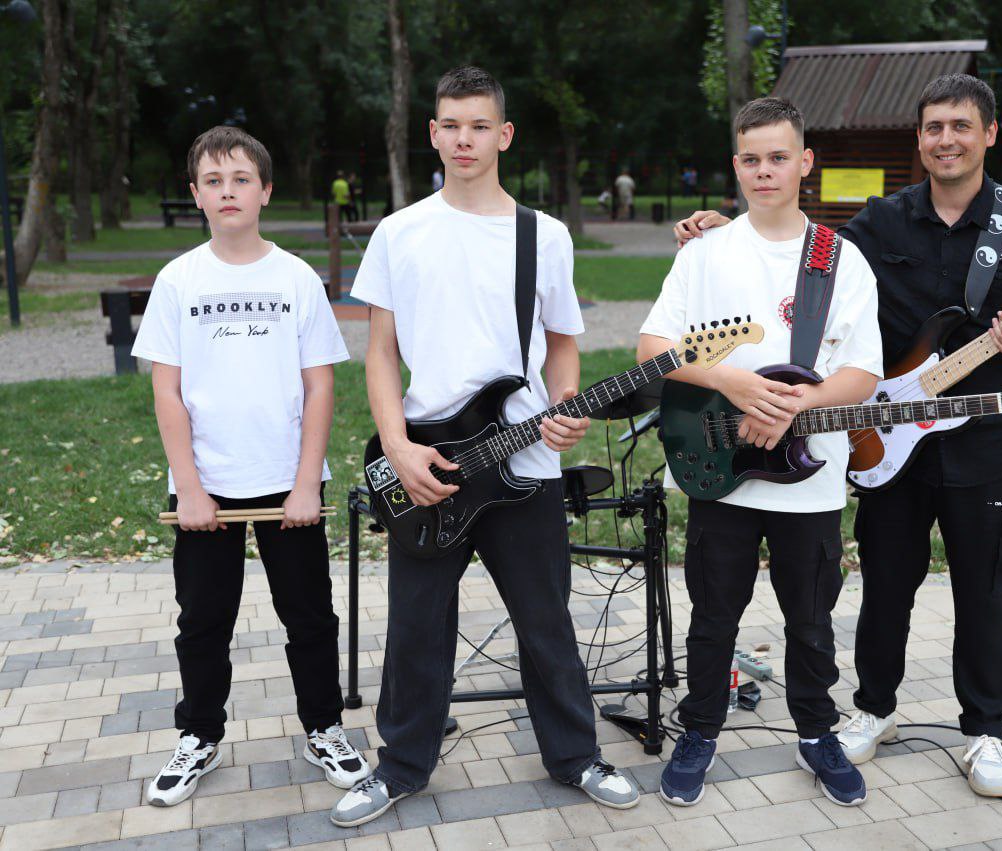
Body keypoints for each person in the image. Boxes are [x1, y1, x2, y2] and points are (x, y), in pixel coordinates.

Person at [673, 74, 1002, 798]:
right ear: (919, 139)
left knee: (986, 591)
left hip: (987, 435)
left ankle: (985, 730)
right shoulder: (881, 223)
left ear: (989, 133)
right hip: (889, 438)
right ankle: (872, 709)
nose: (946, 140)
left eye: (961, 126)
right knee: (885, 585)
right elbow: (793, 245)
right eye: (934, 128)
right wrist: (719, 225)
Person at [329, 66, 640, 828]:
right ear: (433, 134)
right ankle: (401, 765)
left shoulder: (545, 235)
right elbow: (379, 353)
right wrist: (397, 447)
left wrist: (566, 403)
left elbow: (561, 343)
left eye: (478, 126)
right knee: (415, 626)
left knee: (546, 621)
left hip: (525, 464)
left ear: (504, 135)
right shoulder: (399, 232)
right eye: (450, 125)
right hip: (428, 463)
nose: (463, 139)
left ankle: (575, 755)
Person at [639, 96, 883, 809]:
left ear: (805, 162)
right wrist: (730, 383)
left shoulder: (839, 260)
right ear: (736, 165)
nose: (765, 170)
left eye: (779, 157)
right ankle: (700, 731)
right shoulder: (705, 253)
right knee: (714, 615)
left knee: (810, 619)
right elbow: (652, 347)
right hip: (720, 472)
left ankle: (816, 732)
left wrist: (792, 407)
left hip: (811, 481)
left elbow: (862, 372)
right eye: (751, 159)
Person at [131, 126, 368, 807]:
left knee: (311, 618)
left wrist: (306, 481)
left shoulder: (296, 278)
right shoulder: (179, 280)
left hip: (288, 483)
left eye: (241, 179)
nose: (227, 191)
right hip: (205, 488)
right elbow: (167, 392)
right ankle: (199, 734)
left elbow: (320, 386)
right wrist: (190, 488)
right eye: (214, 181)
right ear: (196, 194)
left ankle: (324, 727)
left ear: (265, 190)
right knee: (203, 621)